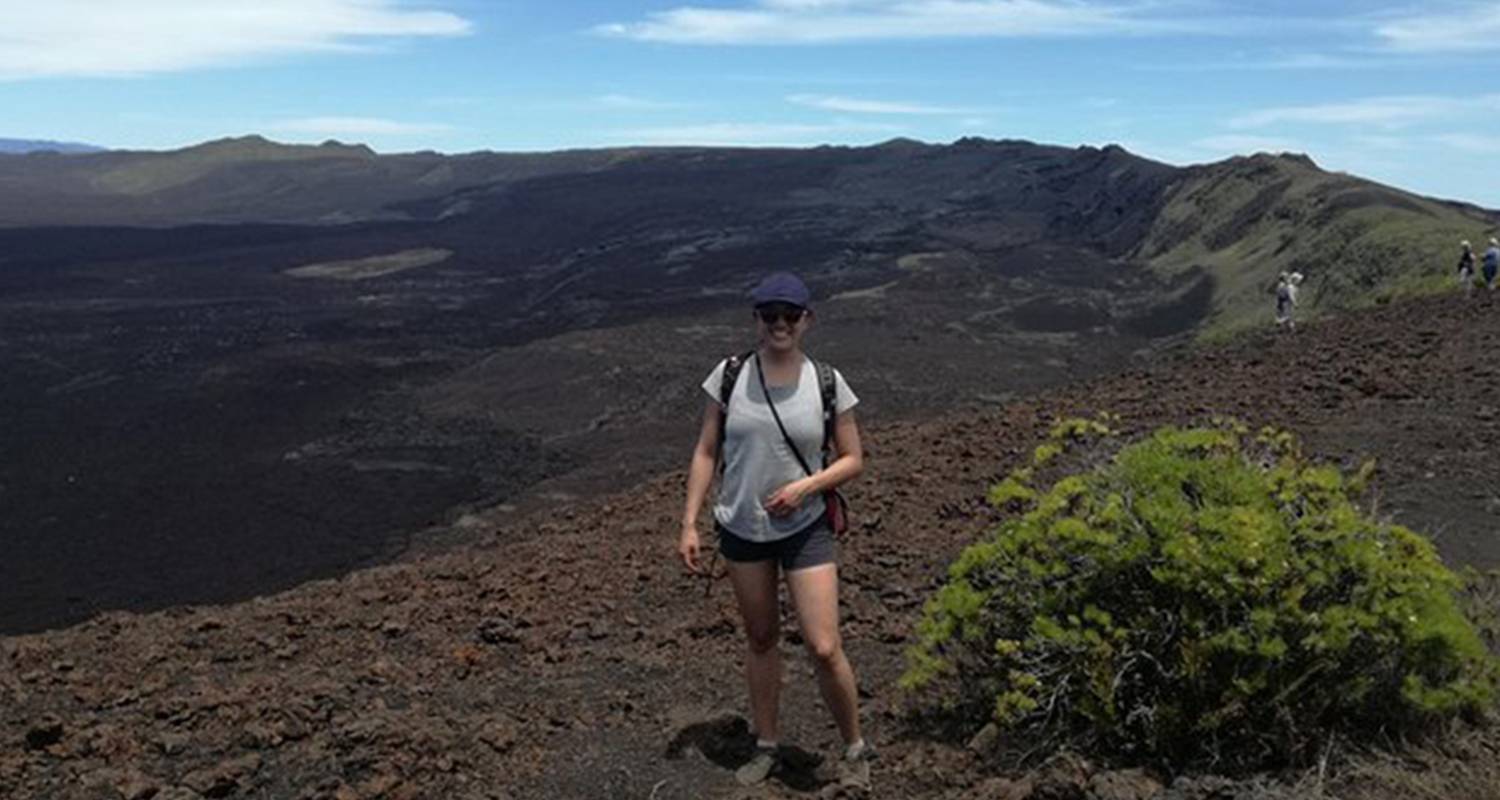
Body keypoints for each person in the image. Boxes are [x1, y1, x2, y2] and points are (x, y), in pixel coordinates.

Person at [677, 272, 873, 790]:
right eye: (770, 316)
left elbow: (854, 459)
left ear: (807, 319)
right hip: (741, 527)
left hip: (805, 528)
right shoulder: (729, 375)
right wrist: (689, 521)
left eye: (790, 315)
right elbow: (705, 451)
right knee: (761, 637)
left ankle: (855, 748)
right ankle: (766, 744)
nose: (780, 325)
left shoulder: (827, 382)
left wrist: (806, 488)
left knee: (824, 645)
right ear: (756, 319)